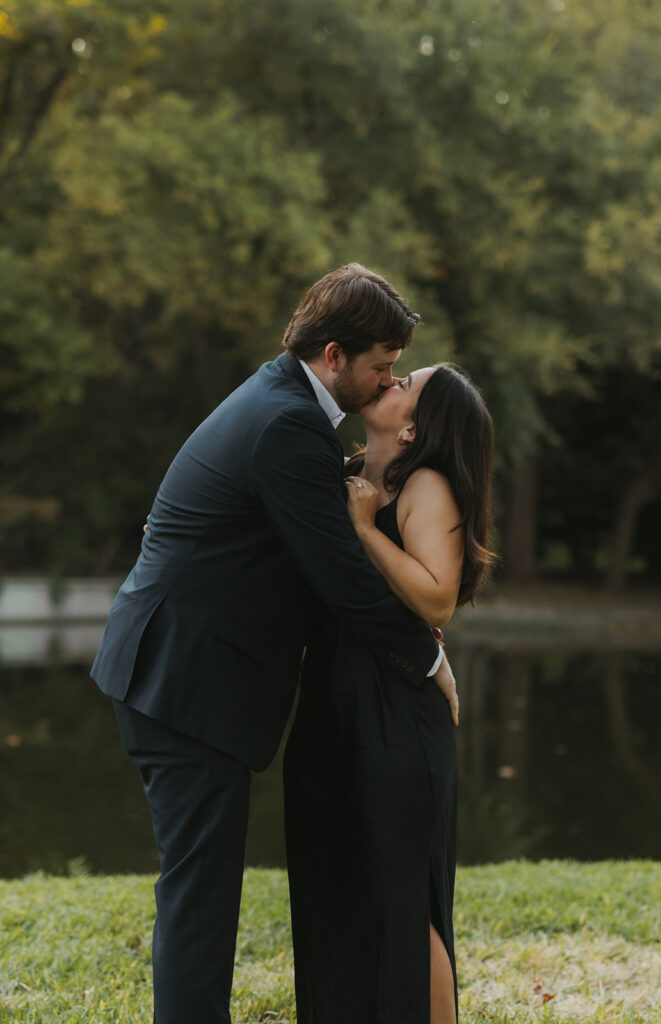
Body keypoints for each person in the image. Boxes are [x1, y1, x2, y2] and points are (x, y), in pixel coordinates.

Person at [90, 263, 459, 1024]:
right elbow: (340, 577)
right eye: (380, 367)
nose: (385, 382)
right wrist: (427, 656)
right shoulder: (286, 424)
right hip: (182, 680)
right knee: (199, 897)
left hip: (180, 674)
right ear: (333, 357)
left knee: (199, 890)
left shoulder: (282, 405)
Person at [284, 363, 495, 1024]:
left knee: (401, 899)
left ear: (413, 427)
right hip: (330, 704)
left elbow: (437, 595)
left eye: (406, 381)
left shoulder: (422, 484)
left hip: (395, 715)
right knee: (338, 886)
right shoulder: (349, 472)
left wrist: (367, 530)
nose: (389, 378)